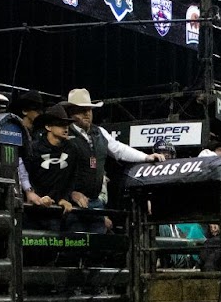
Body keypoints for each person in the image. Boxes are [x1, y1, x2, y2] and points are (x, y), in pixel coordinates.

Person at [24, 91, 161, 227]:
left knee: (96, 242)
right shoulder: (63, 136)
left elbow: (119, 149)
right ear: (71, 112)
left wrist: (146, 157)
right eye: (81, 110)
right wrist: (68, 194)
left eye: (89, 109)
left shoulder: (100, 132)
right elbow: (52, 171)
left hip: (95, 201)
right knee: (75, 242)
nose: (87, 113)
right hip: (72, 202)